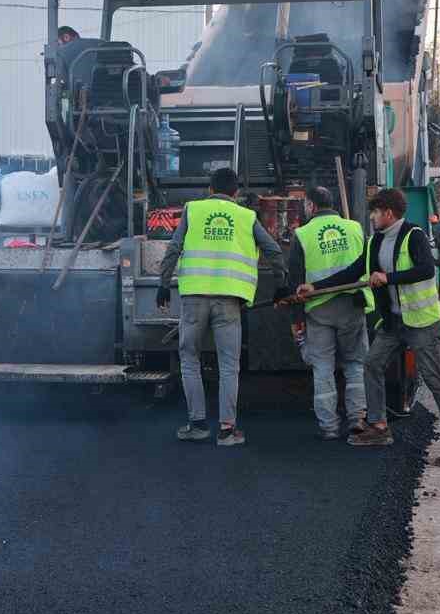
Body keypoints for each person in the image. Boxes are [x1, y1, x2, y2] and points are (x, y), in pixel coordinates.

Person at [156, 167, 288, 447]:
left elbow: (173, 249)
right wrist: (281, 283)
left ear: (209, 190)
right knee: (229, 363)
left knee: (189, 358)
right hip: (229, 300)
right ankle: (227, 430)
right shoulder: (246, 216)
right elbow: (274, 251)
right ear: (236, 192)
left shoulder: (193, 211)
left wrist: (163, 284)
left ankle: (198, 424)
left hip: (193, 298)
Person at [361, 189, 440, 462]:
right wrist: (315, 287)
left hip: (421, 322)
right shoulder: (376, 241)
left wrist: (388, 278)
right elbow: (355, 270)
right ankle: (379, 426)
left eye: (375, 212)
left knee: (435, 379)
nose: (372, 217)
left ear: (387, 213)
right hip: (395, 322)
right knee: (373, 363)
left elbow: (425, 269)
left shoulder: (414, 235)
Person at [288, 186, 371, 441]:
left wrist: (296, 320)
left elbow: (295, 280)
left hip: (319, 309)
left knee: (322, 367)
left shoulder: (302, 235)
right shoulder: (355, 228)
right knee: (355, 363)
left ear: (311, 206)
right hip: (353, 305)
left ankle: (329, 427)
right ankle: (357, 418)